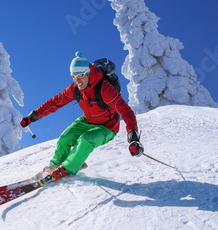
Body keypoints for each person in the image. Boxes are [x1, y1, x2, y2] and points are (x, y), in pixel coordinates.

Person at [20, 51, 144, 180]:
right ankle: (54, 166)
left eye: (80, 75)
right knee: (65, 138)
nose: (77, 80)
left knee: (86, 139)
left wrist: (133, 136)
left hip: (107, 127)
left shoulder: (105, 89)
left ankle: (67, 169)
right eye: (74, 76)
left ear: (88, 72)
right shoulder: (75, 89)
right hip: (87, 121)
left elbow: (126, 111)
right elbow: (55, 102)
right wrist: (33, 117)